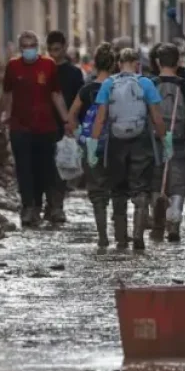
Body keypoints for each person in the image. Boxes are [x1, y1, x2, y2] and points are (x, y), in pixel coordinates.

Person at [87, 48, 167, 252]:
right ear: (137, 63)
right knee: (140, 188)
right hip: (141, 140)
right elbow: (157, 117)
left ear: (119, 64)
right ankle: (139, 236)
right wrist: (166, 142)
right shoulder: (146, 83)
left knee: (118, 190)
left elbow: (100, 118)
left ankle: (121, 238)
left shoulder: (108, 84)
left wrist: (92, 146)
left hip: (116, 142)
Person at [0, 31, 73, 227]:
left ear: (37, 47)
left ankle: (40, 206)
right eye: (25, 46)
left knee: (43, 169)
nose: (28, 50)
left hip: (45, 126)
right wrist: (4, 116)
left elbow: (56, 94)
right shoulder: (13, 67)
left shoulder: (48, 65)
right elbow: (7, 93)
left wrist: (67, 120)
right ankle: (28, 207)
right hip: (20, 126)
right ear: (20, 48)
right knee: (24, 169)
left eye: (32, 45)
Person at [148, 43, 185, 242]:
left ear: (158, 62)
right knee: (178, 184)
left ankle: (157, 221)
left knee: (155, 182)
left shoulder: (150, 84)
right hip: (178, 140)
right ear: (178, 62)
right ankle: (174, 222)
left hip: (154, 142)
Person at [68, 42, 116, 251]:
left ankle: (103, 235)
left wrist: (80, 136)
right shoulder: (118, 87)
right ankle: (123, 236)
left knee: (97, 192)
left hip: (91, 147)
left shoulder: (87, 89)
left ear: (95, 64)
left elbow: (71, 117)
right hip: (118, 145)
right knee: (118, 190)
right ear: (114, 64)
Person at [44, 30, 86, 223]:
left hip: (64, 125)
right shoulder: (43, 70)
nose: (54, 54)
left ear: (64, 48)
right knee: (44, 167)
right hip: (43, 124)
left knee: (61, 166)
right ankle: (47, 204)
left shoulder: (74, 73)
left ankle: (57, 206)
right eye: (51, 50)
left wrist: (76, 121)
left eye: (57, 49)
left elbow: (81, 99)